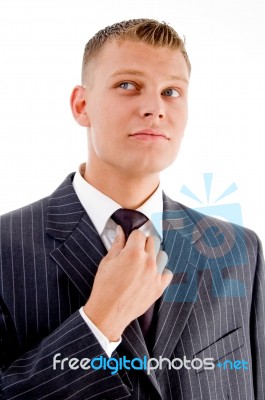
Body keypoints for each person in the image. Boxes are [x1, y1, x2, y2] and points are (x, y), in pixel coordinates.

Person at [0, 18, 264, 400]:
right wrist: (98, 323)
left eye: (171, 91)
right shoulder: (5, 250)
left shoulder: (241, 251)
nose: (154, 108)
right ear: (82, 104)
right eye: (128, 85)